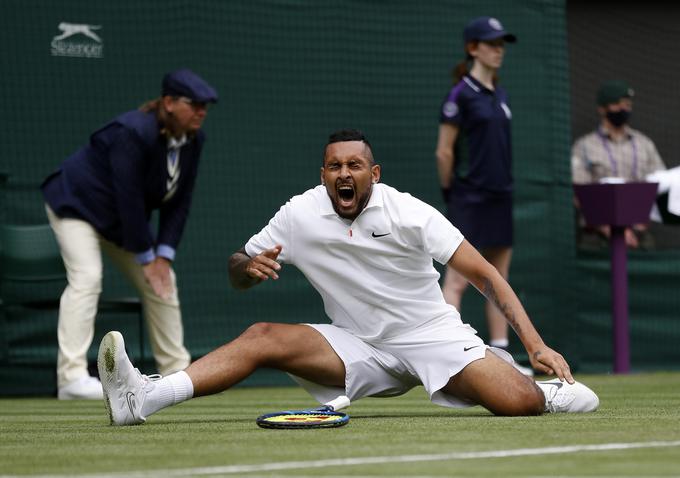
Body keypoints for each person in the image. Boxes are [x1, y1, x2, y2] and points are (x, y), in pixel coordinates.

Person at [97, 129, 598, 426]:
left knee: (516, 404)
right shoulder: (298, 214)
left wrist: (536, 344)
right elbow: (237, 269)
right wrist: (247, 269)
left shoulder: (409, 213)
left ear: (373, 174)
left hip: (431, 335)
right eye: (334, 165)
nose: (344, 173)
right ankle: (144, 396)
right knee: (261, 336)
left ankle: (535, 387)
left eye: (354, 165)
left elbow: (486, 275)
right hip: (356, 344)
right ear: (323, 175)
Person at [41, 68, 218, 400]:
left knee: (164, 281)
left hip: (118, 221)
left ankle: (179, 374)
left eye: (205, 105)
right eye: (194, 104)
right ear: (168, 102)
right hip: (76, 206)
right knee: (88, 276)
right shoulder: (132, 132)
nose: (201, 111)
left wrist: (162, 256)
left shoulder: (195, 140)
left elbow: (179, 203)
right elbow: (129, 196)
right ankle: (71, 379)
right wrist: (147, 257)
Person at [435, 16, 530, 373]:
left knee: (498, 278)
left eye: (501, 44)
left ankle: (503, 355)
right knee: (458, 280)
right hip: (468, 199)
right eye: (491, 44)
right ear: (472, 48)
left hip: (500, 197)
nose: (498, 51)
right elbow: (444, 152)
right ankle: (449, 355)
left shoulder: (500, 94)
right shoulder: (459, 94)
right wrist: (452, 193)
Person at [571, 80, 666, 250]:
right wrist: (609, 229)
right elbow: (578, 193)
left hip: (639, 236)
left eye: (627, 104)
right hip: (597, 237)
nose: (623, 109)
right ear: (602, 108)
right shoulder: (584, 146)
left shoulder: (645, 144)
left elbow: (661, 187)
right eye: (617, 104)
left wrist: (636, 230)